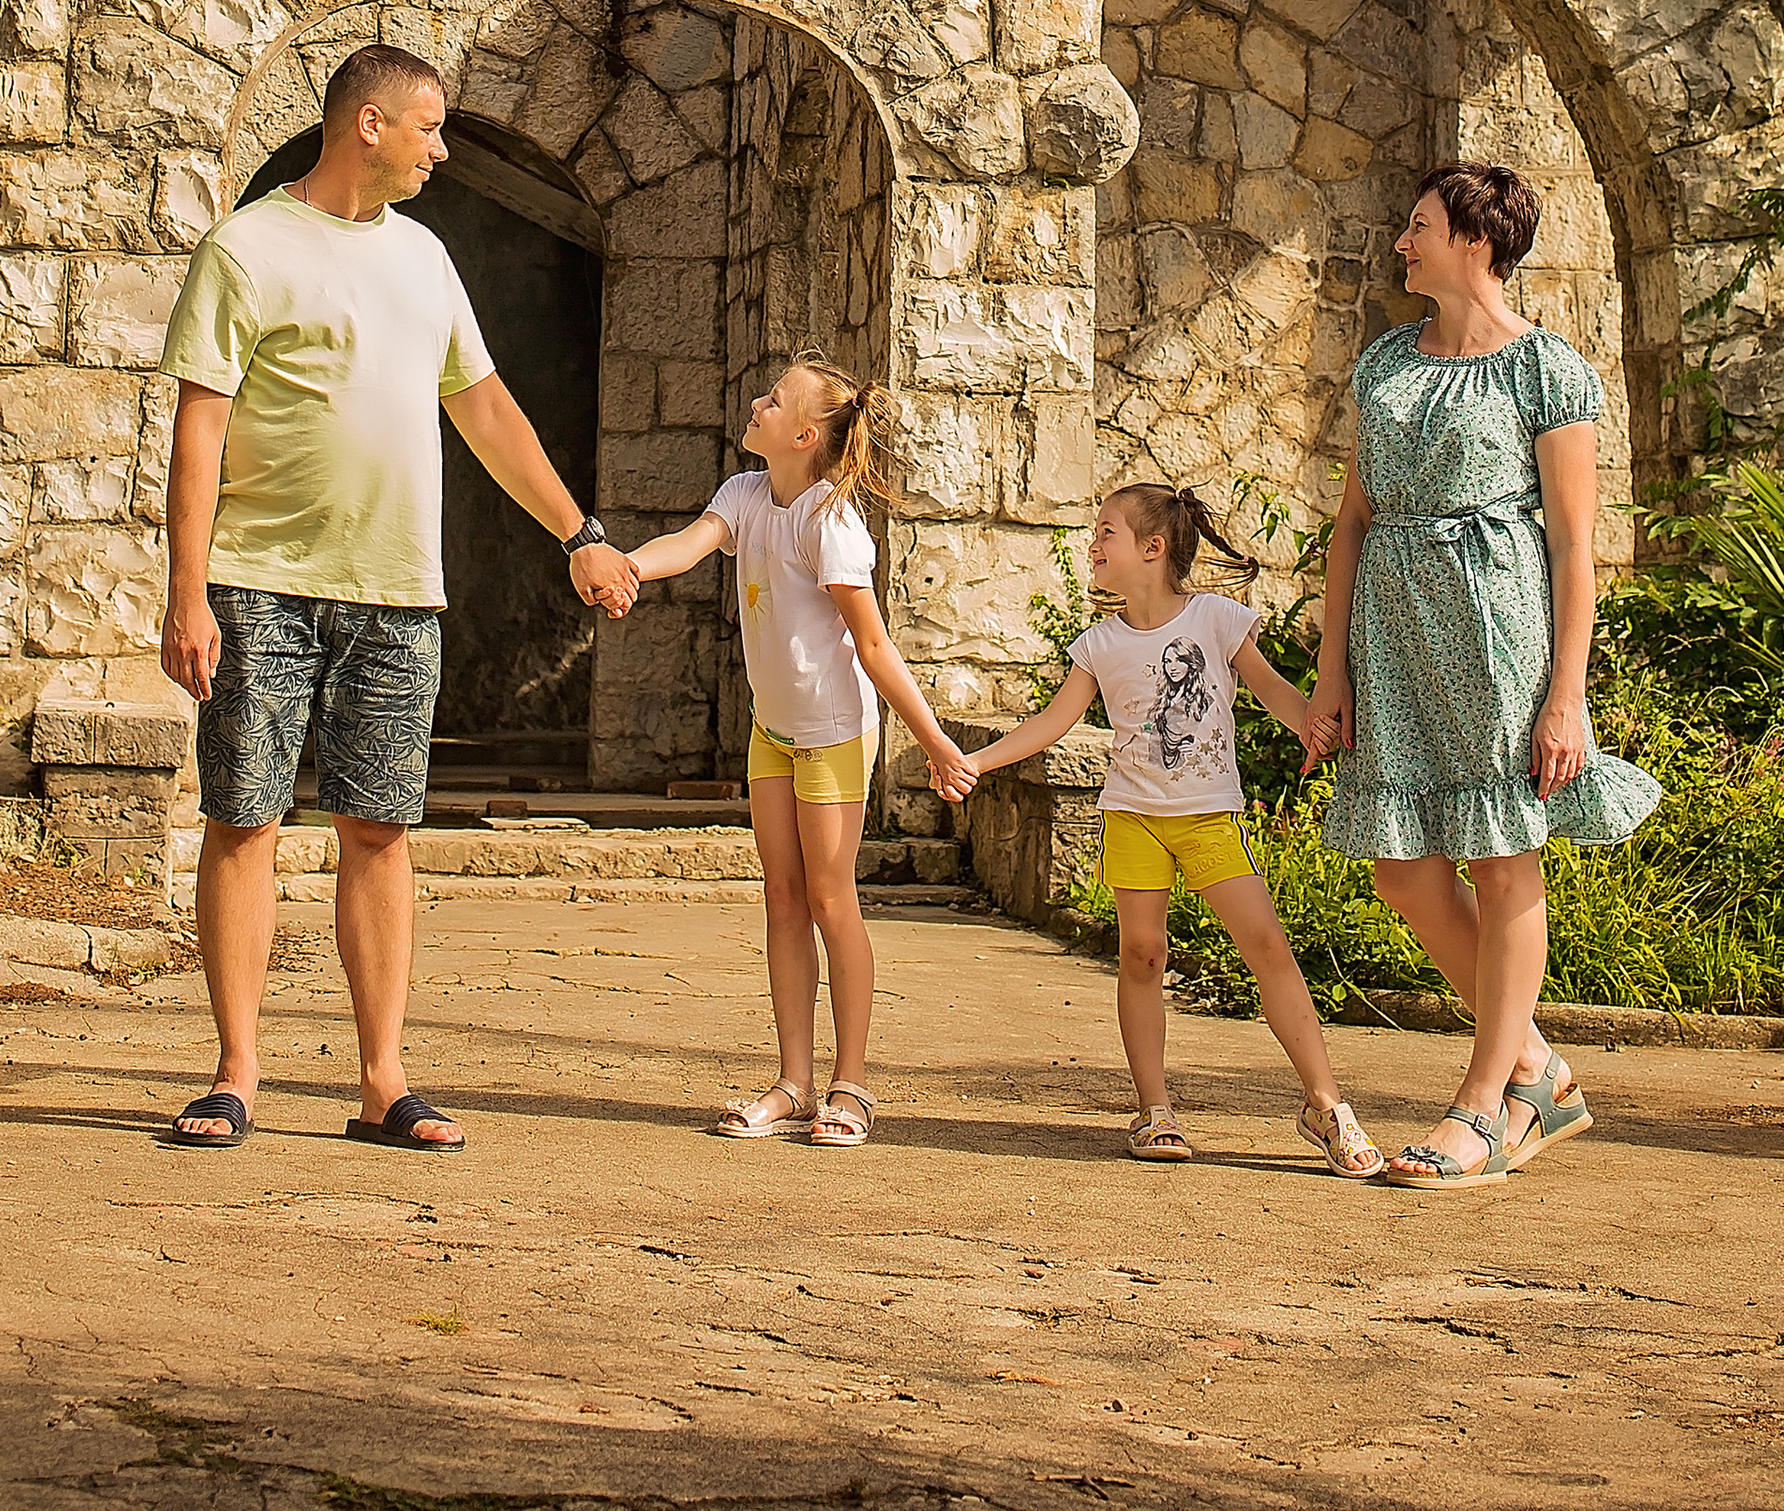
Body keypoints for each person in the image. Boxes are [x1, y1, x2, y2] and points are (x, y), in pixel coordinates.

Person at [155, 41, 640, 1152]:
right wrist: (187, 594)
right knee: (246, 818)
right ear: (366, 124)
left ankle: (383, 1081)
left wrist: (580, 533)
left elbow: (483, 407)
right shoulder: (247, 247)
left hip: (396, 596)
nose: (442, 147)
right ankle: (236, 1072)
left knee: (380, 827)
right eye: (428, 126)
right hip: (260, 588)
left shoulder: (425, 257)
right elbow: (199, 431)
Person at [1305, 161, 1661, 1188]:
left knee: (1503, 859)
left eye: (1417, 226)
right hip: (1395, 632)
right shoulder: (1383, 365)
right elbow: (1351, 529)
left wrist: (1566, 696)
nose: (1401, 241)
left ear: (1475, 242)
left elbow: (1572, 548)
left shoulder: (1546, 371)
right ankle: (1537, 1067)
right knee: (1400, 866)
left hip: (1501, 633)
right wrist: (1331, 672)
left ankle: (1483, 1105)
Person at [965, 481, 1384, 1173]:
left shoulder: (1218, 620)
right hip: (1134, 819)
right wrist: (975, 761)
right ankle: (1155, 1111)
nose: (1092, 545)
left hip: (1209, 819)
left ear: (1152, 549)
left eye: (1106, 533)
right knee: (1143, 956)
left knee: (1268, 949)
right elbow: (1051, 723)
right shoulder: (1097, 644)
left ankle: (1326, 1104)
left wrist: (1313, 721)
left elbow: (1273, 688)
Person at [626, 354, 975, 1148]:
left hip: (833, 736)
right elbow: (687, 542)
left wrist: (935, 741)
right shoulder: (745, 495)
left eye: (773, 399)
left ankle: (850, 1087)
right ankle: (793, 1083)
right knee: (781, 898)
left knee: (829, 899)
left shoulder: (831, 523)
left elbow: (876, 646)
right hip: (772, 732)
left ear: (806, 433)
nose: (757, 402)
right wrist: (627, 566)